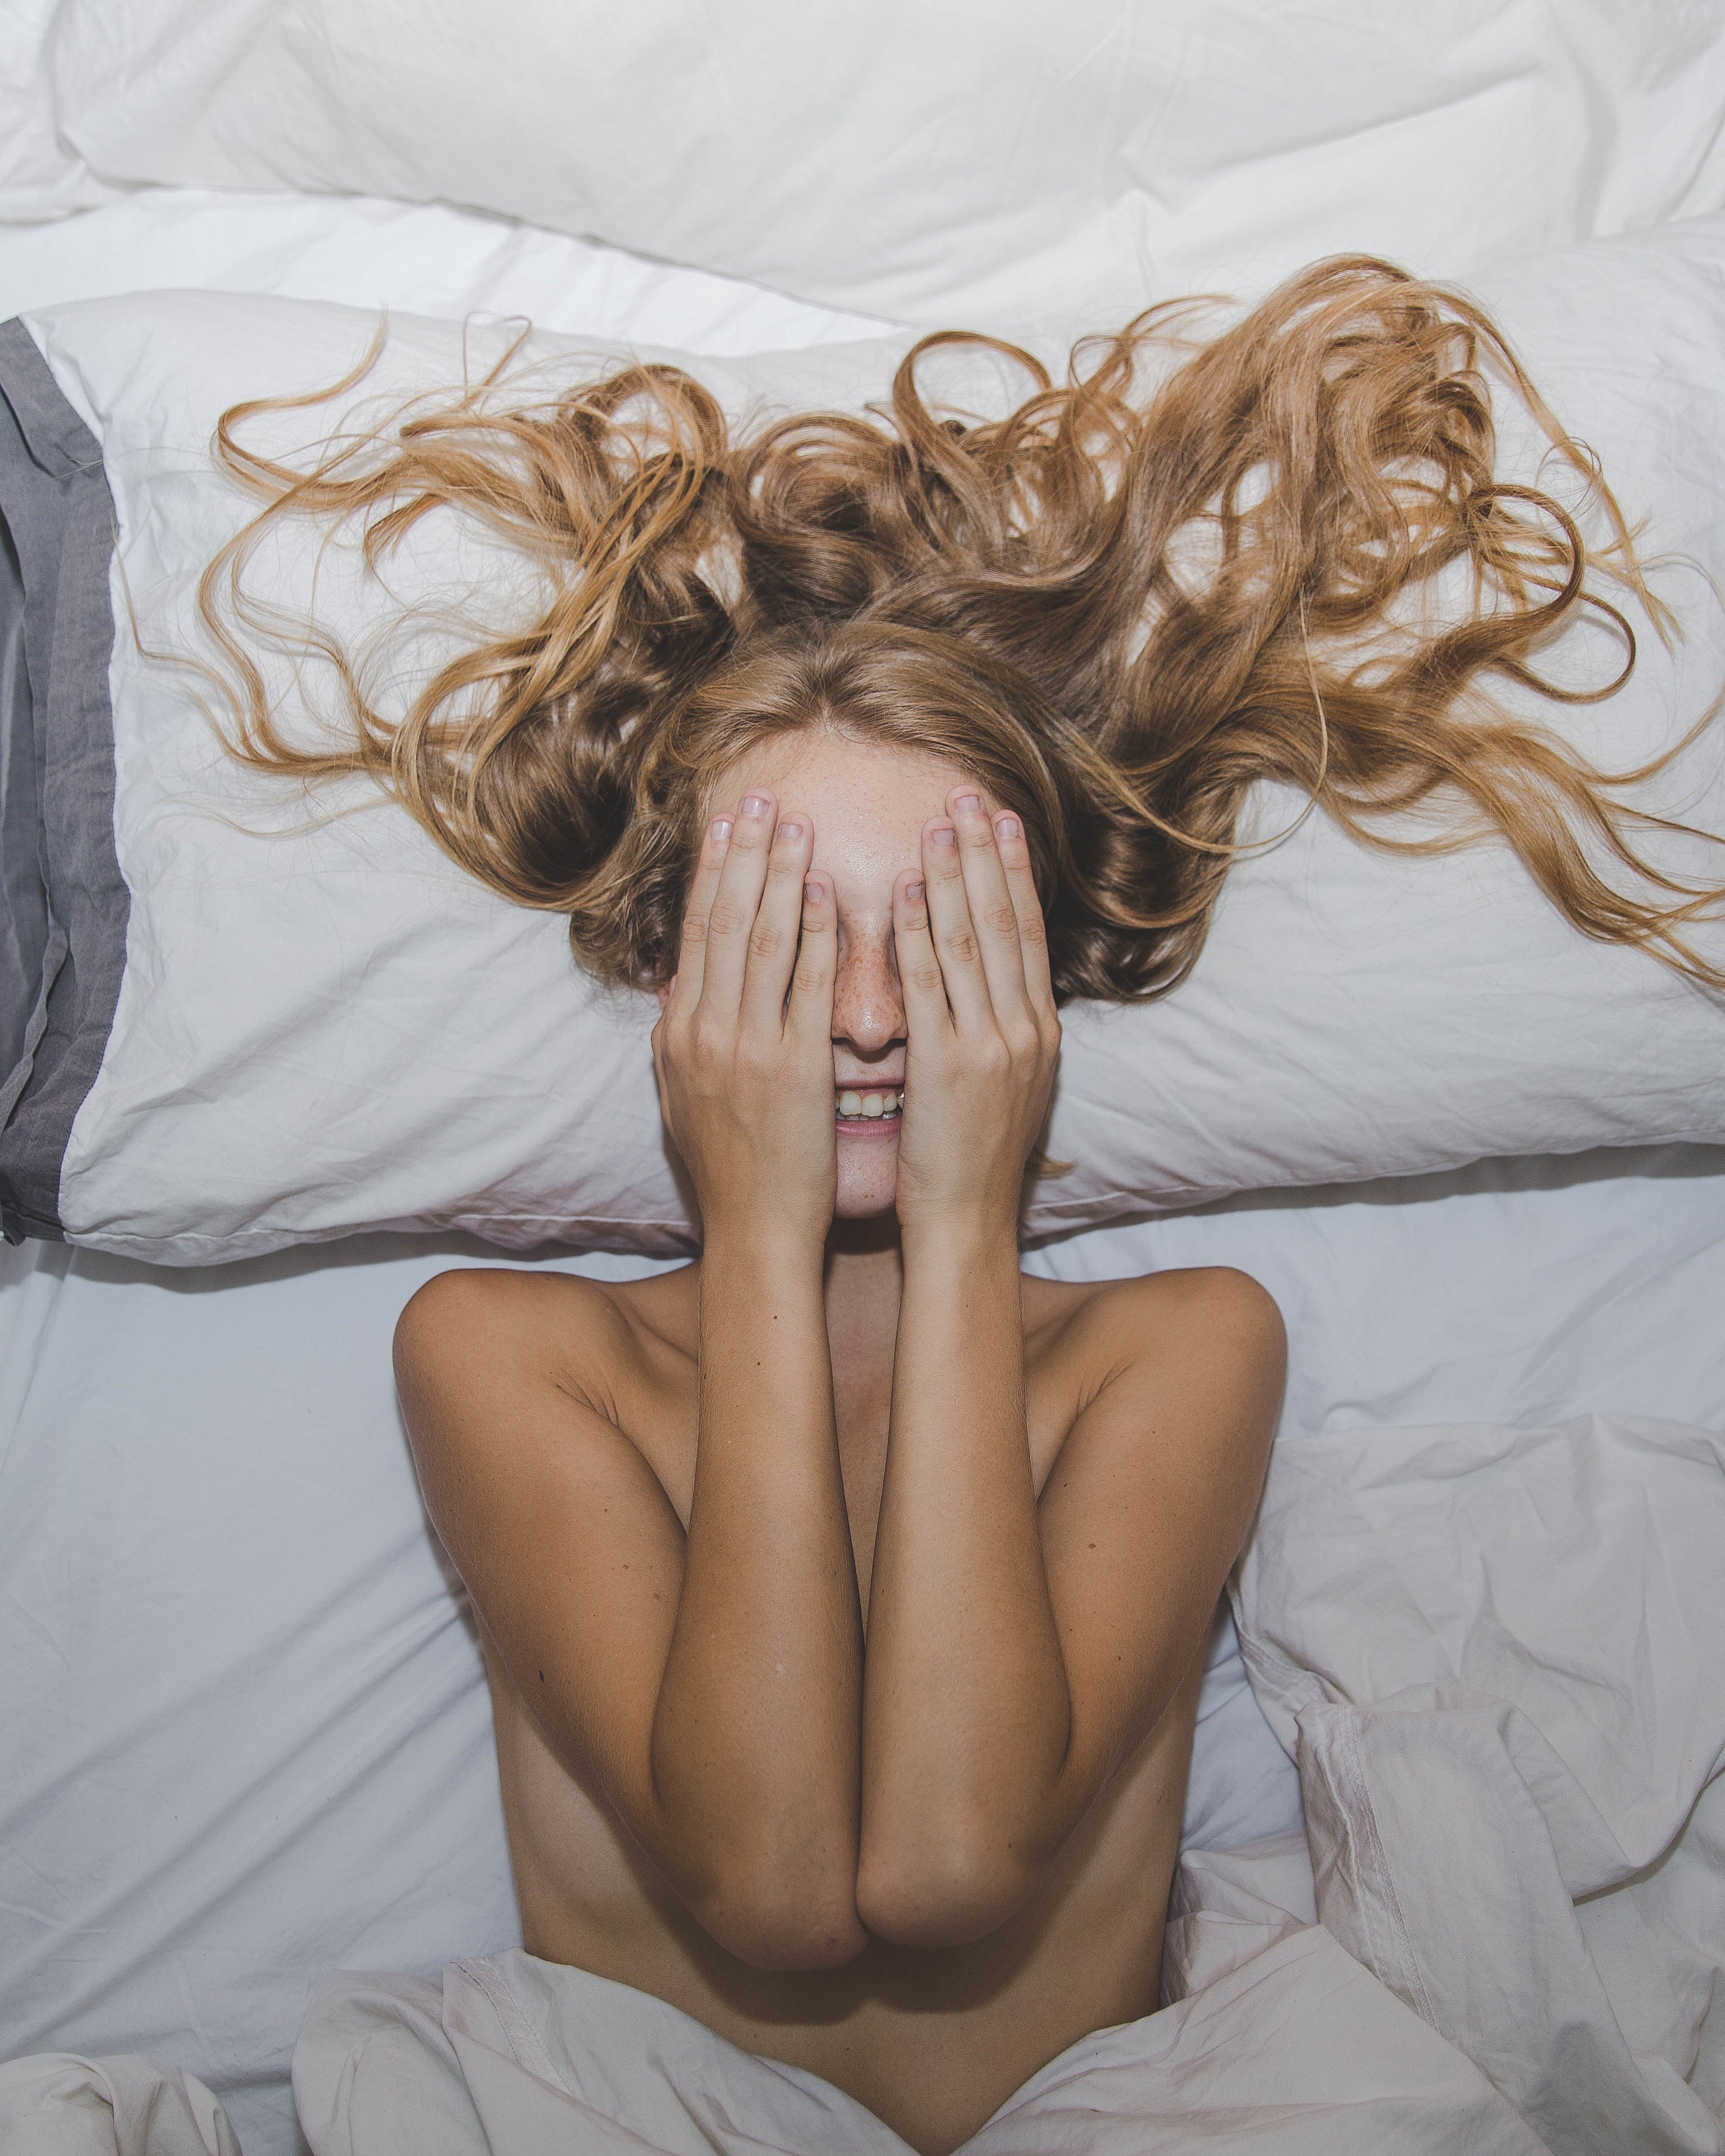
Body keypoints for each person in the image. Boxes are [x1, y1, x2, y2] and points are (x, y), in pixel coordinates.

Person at [200, 259, 1723, 2154]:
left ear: (1039, 980)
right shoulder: (507, 1356)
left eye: (935, 939)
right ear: (672, 970)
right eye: (786, 936)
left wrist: (965, 1220)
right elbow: (772, 1884)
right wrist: (758, 1229)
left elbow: (944, 1868)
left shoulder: (1184, 1351)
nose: (860, 1015)